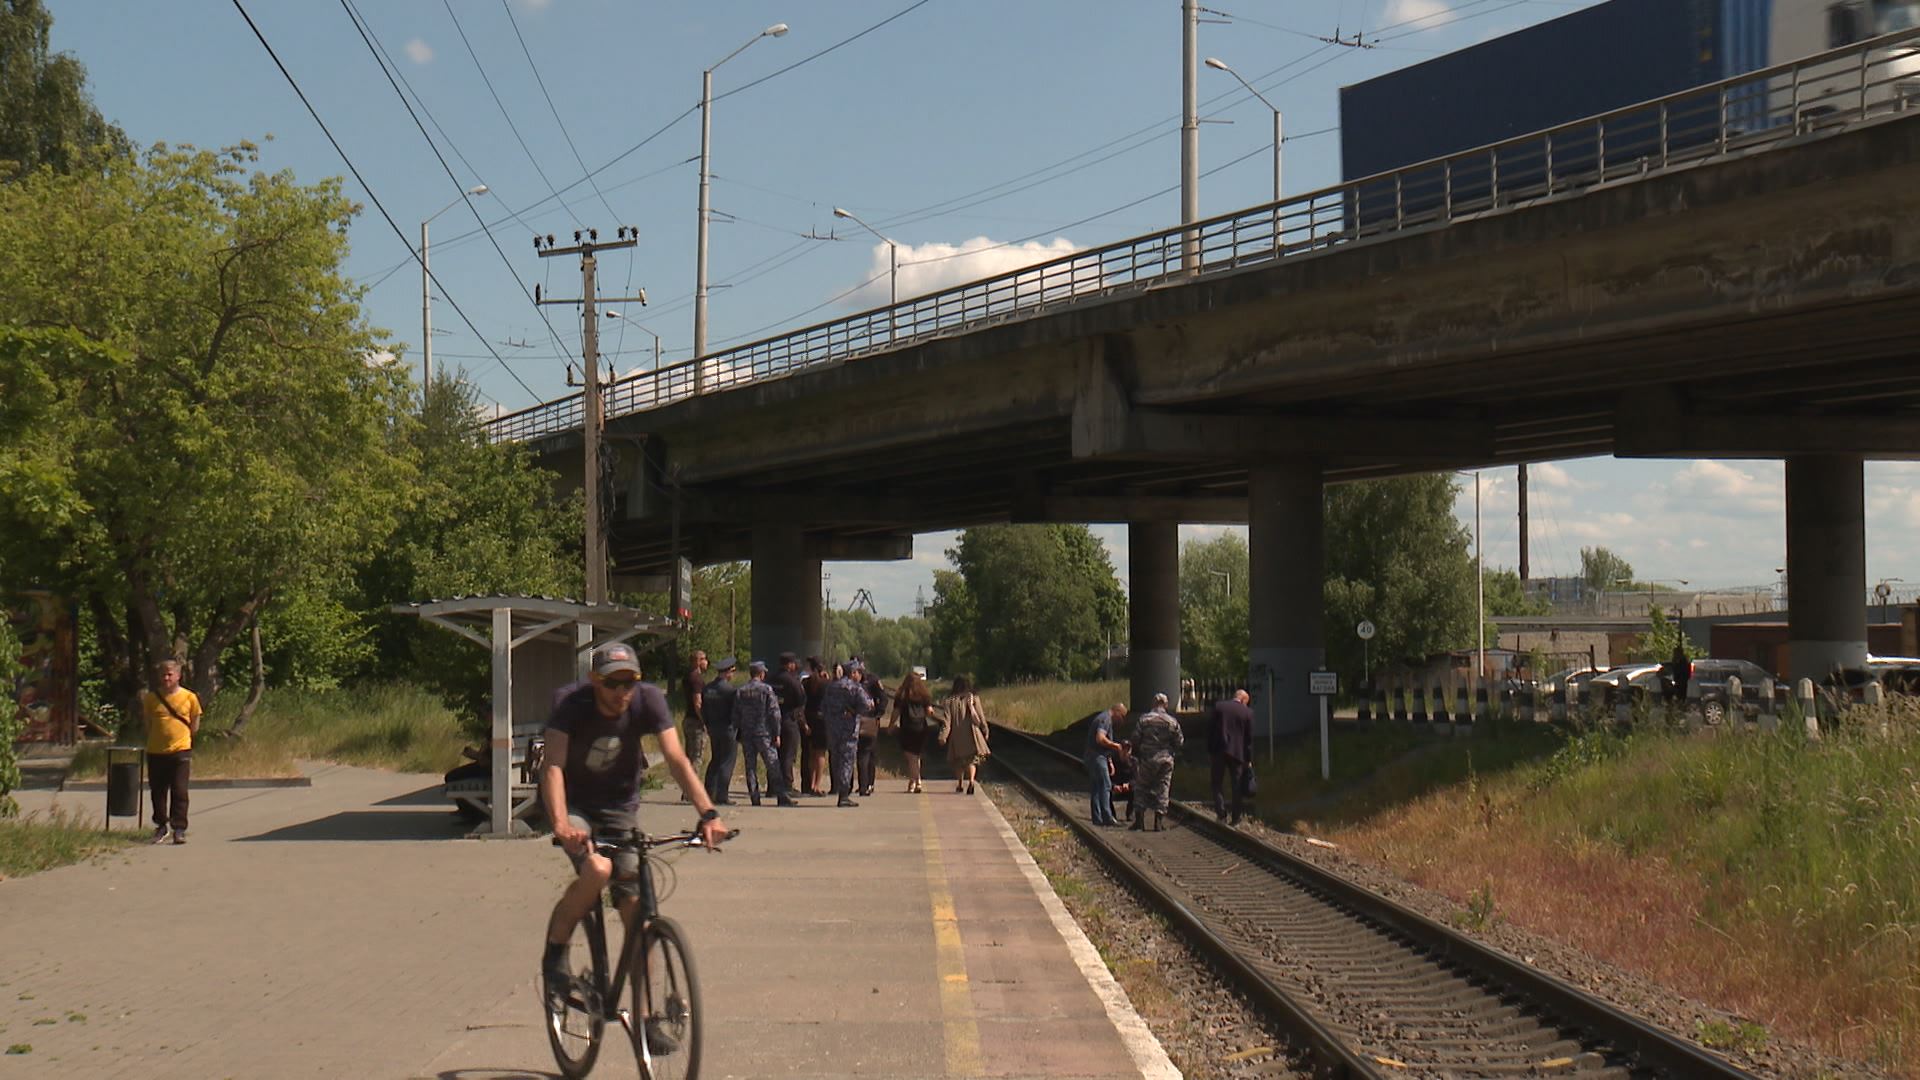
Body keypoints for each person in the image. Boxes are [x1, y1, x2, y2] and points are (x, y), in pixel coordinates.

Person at [540, 643, 728, 1012]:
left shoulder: (648, 700)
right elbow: (553, 766)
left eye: (630, 683)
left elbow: (676, 759)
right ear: (595, 680)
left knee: (638, 914)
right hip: (576, 806)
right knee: (597, 868)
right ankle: (555, 954)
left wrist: (708, 814)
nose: (622, 692)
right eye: (613, 683)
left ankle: (648, 1018)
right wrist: (561, 823)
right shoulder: (570, 703)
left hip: (620, 808)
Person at [140, 659, 201, 844]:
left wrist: (185, 739)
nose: (166, 678)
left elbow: (195, 722)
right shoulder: (151, 698)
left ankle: (179, 828)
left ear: (178, 676)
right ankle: (161, 826)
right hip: (156, 751)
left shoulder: (189, 697)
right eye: (163, 675)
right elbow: (147, 723)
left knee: (180, 790)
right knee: (158, 791)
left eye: (170, 674)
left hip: (180, 750)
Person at [735, 661, 795, 807]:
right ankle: (781, 796)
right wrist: (777, 733)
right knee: (773, 765)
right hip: (764, 734)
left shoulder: (741, 690)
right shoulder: (766, 690)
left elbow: (735, 714)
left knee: (750, 766)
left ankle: (754, 797)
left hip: (747, 734)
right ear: (761, 674)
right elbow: (774, 714)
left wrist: (739, 730)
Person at [818, 660, 872, 807]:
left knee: (836, 760)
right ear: (853, 673)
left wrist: (832, 718)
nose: (860, 676)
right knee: (847, 761)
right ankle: (843, 795)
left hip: (833, 729)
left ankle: (838, 787)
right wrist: (855, 711)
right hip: (849, 730)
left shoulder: (832, 686)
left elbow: (823, 707)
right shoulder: (855, 688)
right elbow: (866, 705)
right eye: (858, 673)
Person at [1129, 692, 1185, 832]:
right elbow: (1179, 742)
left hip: (1147, 759)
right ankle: (1158, 822)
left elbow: (1135, 739)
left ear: (1153, 703)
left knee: (1141, 787)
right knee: (1163, 788)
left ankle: (1139, 821)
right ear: (1165, 704)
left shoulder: (1144, 719)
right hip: (1165, 760)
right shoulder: (1172, 722)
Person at [1207, 689, 1255, 825]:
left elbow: (1210, 730)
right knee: (1237, 786)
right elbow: (1248, 739)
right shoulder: (1247, 713)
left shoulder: (1219, 707)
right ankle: (1236, 818)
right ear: (1244, 700)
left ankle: (1221, 814)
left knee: (1216, 783)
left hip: (1218, 751)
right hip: (1238, 754)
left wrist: (1210, 751)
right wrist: (1248, 759)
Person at [1082, 702, 1128, 826]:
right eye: (1122, 717)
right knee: (1106, 785)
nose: (1122, 721)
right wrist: (1116, 746)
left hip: (1097, 756)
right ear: (1117, 712)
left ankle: (1097, 818)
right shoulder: (1105, 719)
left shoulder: (1105, 718)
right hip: (1096, 756)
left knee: (1097, 787)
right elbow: (1100, 738)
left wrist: (1109, 761)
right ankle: (1107, 817)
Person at [891, 670, 936, 793]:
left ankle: (917, 781)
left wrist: (891, 724)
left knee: (911, 757)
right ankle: (913, 781)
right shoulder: (924, 695)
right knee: (916, 756)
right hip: (921, 727)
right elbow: (929, 711)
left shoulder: (901, 695)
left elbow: (896, 712)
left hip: (907, 728)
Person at [701, 657, 739, 805]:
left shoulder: (708, 688)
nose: (732, 675)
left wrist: (708, 724)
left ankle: (708, 792)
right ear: (728, 672)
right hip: (727, 729)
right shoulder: (729, 690)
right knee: (727, 762)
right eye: (732, 672)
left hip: (713, 729)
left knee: (715, 760)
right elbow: (735, 712)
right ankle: (722, 796)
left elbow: (703, 710)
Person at [944, 676, 991, 795]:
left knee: (958, 761)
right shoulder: (973, 698)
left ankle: (960, 784)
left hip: (957, 735)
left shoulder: (949, 701)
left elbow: (947, 721)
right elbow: (980, 717)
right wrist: (985, 729)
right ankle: (971, 781)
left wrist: (943, 736)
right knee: (971, 760)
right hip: (972, 734)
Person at [772, 653, 806, 796]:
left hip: (773, 720)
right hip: (788, 719)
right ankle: (787, 786)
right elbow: (801, 699)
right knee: (788, 754)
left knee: (775, 755)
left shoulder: (771, 678)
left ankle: (773, 786)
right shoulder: (791, 681)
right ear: (790, 664)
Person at [679, 650, 709, 800]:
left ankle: (686, 790)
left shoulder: (687, 677)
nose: (706, 662)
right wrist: (704, 720)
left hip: (687, 719)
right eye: (703, 659)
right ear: (697, 662)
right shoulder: (696, 679)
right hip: (696, 722)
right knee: (696, 758)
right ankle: (691, 792)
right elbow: (698, 702)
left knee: (689, 757)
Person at [855, 667, 889, 797]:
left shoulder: (872, 680)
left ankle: (869, 783)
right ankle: (863, 784)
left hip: (869, 721)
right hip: (856, 721)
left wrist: (878, 714)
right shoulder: (851, 682)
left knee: (869, 753)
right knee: (861, 754)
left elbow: (883, 698)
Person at [801, 657, 829, 796]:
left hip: (808, 718)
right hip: (821, 720)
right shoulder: (826, 684)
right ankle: (817, 785)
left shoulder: (805, 683)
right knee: (820, 754)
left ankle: (810, 784)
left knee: (811, 753)